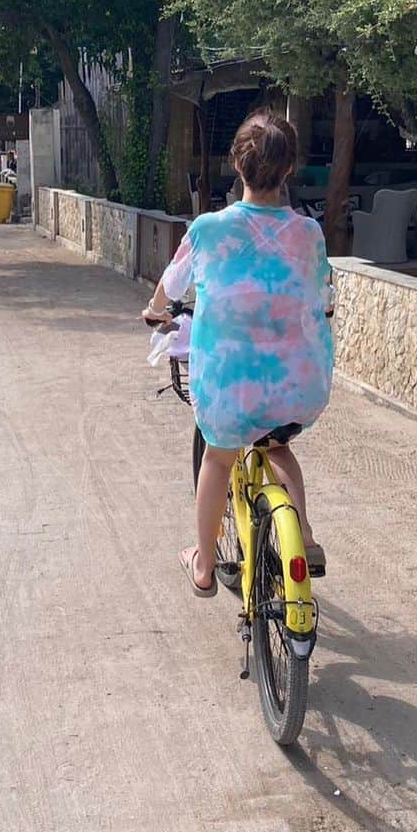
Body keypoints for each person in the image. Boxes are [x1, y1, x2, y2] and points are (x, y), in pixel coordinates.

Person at [142, 110, 334, 595]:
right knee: (279, 446)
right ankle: (304, 533)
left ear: (236, 164)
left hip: (230, 391)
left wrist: (155, 310)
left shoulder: (208, 230)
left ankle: (205, 567)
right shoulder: (309, 234)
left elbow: (169, 285)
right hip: (301, 388)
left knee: (218, 459)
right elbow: (320, 291)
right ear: (289, 169)